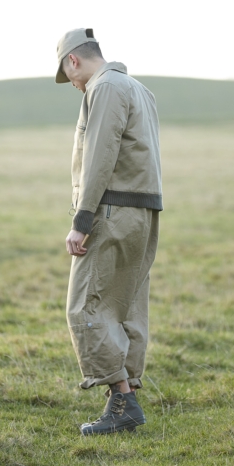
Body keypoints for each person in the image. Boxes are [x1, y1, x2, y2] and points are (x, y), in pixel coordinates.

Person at [55, 28, 163, 435]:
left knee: (85, 305)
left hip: (113, 210)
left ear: (74, 60)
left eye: (71, 77)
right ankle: (125, 394)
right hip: (145, 210)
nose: (74, 85)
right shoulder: (140, 90)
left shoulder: (104, 89)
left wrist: (82, 221)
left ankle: (122, 401)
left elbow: (100, 156)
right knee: (125, 304)